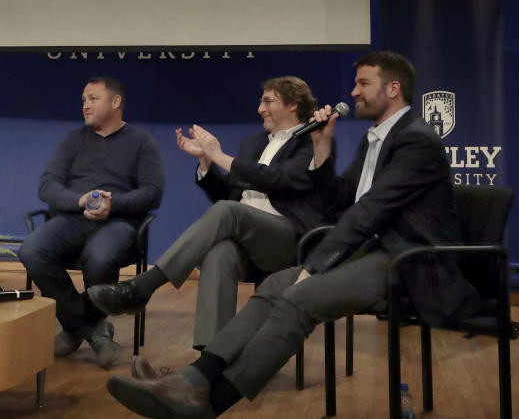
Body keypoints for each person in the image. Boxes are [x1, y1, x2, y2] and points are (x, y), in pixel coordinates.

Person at [105, 51, 487, 418]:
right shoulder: (376, 139)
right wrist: (321, 149)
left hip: (406, 261)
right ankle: (193, 380)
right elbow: (339, 202)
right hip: (371, 251)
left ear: (392, 89)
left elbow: (372, 211)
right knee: (274, 286)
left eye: (362, 83)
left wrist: (317, 264)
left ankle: (210, 404)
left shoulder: (416, 140)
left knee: (298, 296)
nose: (353, 92)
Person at [88, 76, 336, 351]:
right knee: (219, 255)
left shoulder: (311, 141)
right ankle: (213, 358)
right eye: (261, 101)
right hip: (248, 238)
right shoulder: (253, 144)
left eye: (268, 101)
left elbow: (280, 179)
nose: (260, 109)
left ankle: (144, 286)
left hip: (288, 238)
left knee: (230, 212)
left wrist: (220, 156)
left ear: (293, 105)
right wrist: (206, 162)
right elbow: (227, 196)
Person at [19, 77, 165, 368]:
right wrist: (80, 201)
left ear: (115, 102)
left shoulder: (142, 143)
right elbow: (47, 186)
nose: (85, 105)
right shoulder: (73, 140)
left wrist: (113, 205)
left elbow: (152, 193)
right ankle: (93, 330)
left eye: (93, 99)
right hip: (72, 219)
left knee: (99, 259)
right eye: (83, 99)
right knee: (31, 250)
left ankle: (75, 326)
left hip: (119, 223)